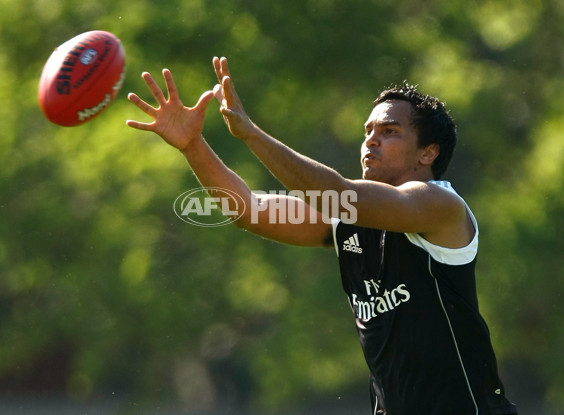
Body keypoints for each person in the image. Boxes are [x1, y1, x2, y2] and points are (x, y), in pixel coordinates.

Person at [126, 57, 517, 415]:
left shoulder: (438, 205)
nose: (371, 140)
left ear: (428, 153)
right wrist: (192, 145)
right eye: (368, 131)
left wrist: (251, 134)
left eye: (390, 131)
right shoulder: (346, 218)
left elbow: (333, 190)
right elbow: (245, 210)